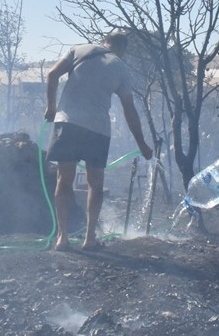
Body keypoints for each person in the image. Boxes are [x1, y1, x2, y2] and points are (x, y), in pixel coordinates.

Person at [44, 31, 153, 251]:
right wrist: (142, 143)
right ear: (123, 49)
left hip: (67, 123)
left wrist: (51, 107)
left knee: (64, 180)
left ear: (105, 42)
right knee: (95, 184)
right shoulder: (121, 68)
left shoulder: (79, 50)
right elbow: (129, 110)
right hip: (97, 129)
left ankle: (62, 238)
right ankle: (89, 238)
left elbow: (52, 74)